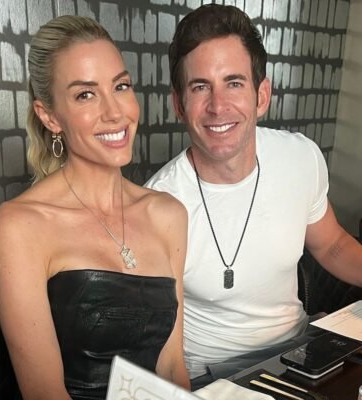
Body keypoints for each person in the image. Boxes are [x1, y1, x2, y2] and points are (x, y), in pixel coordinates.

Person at [146, 3, 362, 389]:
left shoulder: (300, 157)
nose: (218, 106)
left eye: (234, 83)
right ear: (179, 104)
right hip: (216, 376)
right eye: (200, 87)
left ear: (261, 95)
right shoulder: (159, 204)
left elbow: (332, 246)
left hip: (301, 351)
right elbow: (165, 350)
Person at [0, 15, 190, 400]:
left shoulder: (168, 214)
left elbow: (171, 366)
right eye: (86, 94)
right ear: (50, 117)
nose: (115, 112)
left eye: (121, 86)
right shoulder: (19, 225)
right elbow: (44, 394)